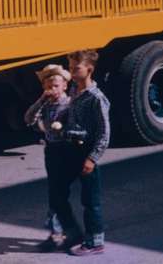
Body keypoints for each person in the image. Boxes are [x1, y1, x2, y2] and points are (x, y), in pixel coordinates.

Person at [47, 49, 111, 257]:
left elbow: (104, 132)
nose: (72, 72)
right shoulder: (74, 91)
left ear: (89, 69)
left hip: (86, 153)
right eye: (71, 68)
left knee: (90, 201)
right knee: (57, 194)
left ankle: (95, 243)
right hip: (69, 150)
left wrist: (92, 158)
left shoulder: (96, 98)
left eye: (77, 68)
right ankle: (72, 232)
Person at [24, 64, 73, 252]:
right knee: (55, 194)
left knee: (60, 194)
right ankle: (57, 234)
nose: (52, 89)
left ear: (64, 86)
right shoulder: (45, 105)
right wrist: (41, 100)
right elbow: (28, 119)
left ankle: (64, 232)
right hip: (51, 151)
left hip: (66, 151)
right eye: (48, 86)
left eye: (55, 86)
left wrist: (64, 128)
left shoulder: (69, 104)